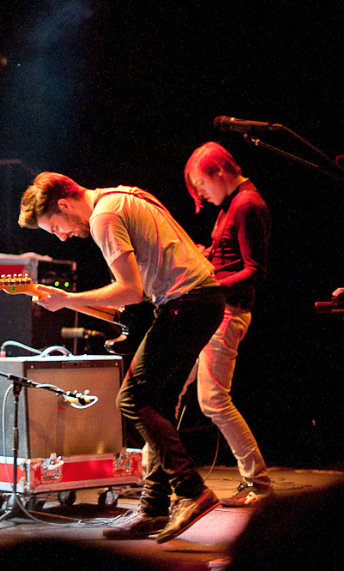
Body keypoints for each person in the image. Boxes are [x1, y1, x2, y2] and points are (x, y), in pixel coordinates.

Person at [18, 172, 225, 543]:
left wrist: (67, 300)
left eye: (55, 227)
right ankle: (154, 508)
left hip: (187, 304)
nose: (62, 236)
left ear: (65, 205)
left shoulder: (103, 217)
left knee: (132, 399)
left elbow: (129, 291)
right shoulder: (124, 194)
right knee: (158, 404)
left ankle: (192, 491)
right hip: (199, 300)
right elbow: (142, 290)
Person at [183, 141, 273, 506]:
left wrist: (209, 284)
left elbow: (254, 270)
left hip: (228, 313)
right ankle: (150, 476)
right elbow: (228, 257)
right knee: (169, 391)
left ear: (219, 172)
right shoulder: (233, 205)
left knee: (214, 400)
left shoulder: (248, 205)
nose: (202, 195)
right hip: (215, 311)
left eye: (202, 185)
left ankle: (259, 483)